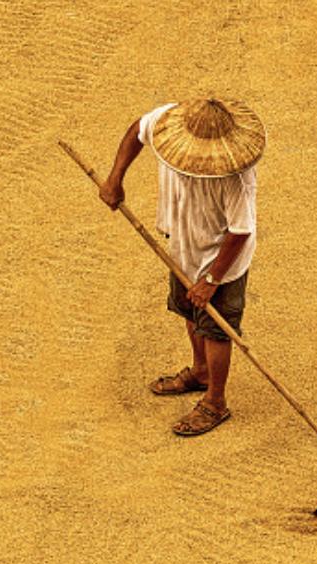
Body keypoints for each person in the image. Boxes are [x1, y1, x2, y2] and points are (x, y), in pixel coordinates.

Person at [99, 97, 265, 436]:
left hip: (222, 258)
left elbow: (240, 231)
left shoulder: (236, 178)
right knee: (190, 309)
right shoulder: (167, 122)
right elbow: (137, 130)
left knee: (216, 330)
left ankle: (215, 402)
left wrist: (212, 279)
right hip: (183, 243)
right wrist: (115, 177)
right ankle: (200, 371)